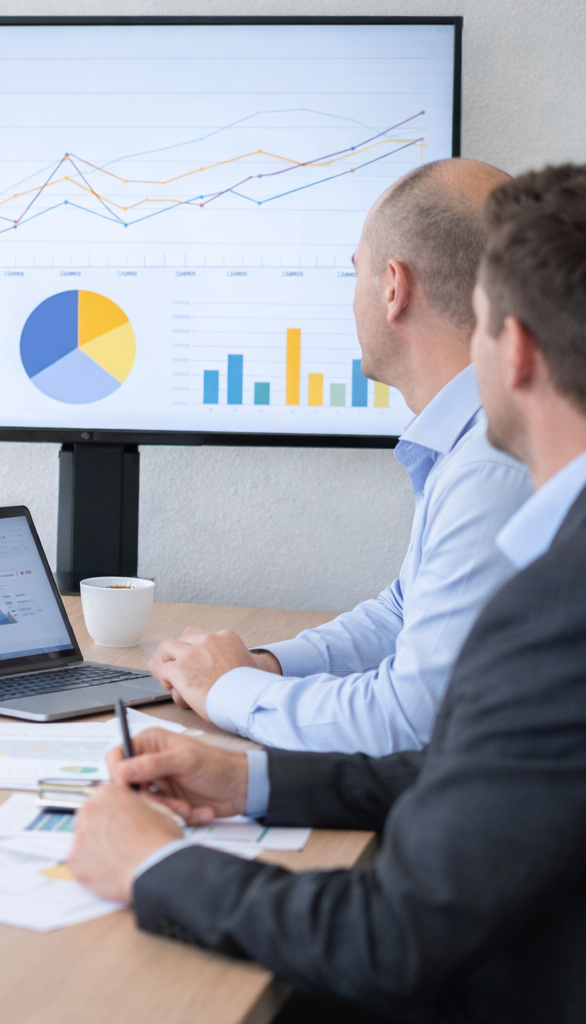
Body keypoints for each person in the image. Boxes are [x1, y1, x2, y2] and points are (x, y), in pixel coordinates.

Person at [67, 165, 586, 1020]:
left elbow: (390, 936)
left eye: (480, 324)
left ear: (515, 350)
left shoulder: (580, 603)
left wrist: (155, 866)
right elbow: (499, 774)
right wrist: (251, 782)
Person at [151, 158, 531, 754]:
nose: (352, 298)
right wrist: (265, 666)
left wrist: (228, 688)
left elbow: (407, 720)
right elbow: (402, 614)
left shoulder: (490, 464)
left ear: (393, 288)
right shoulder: (471, 435)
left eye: (355, 273)